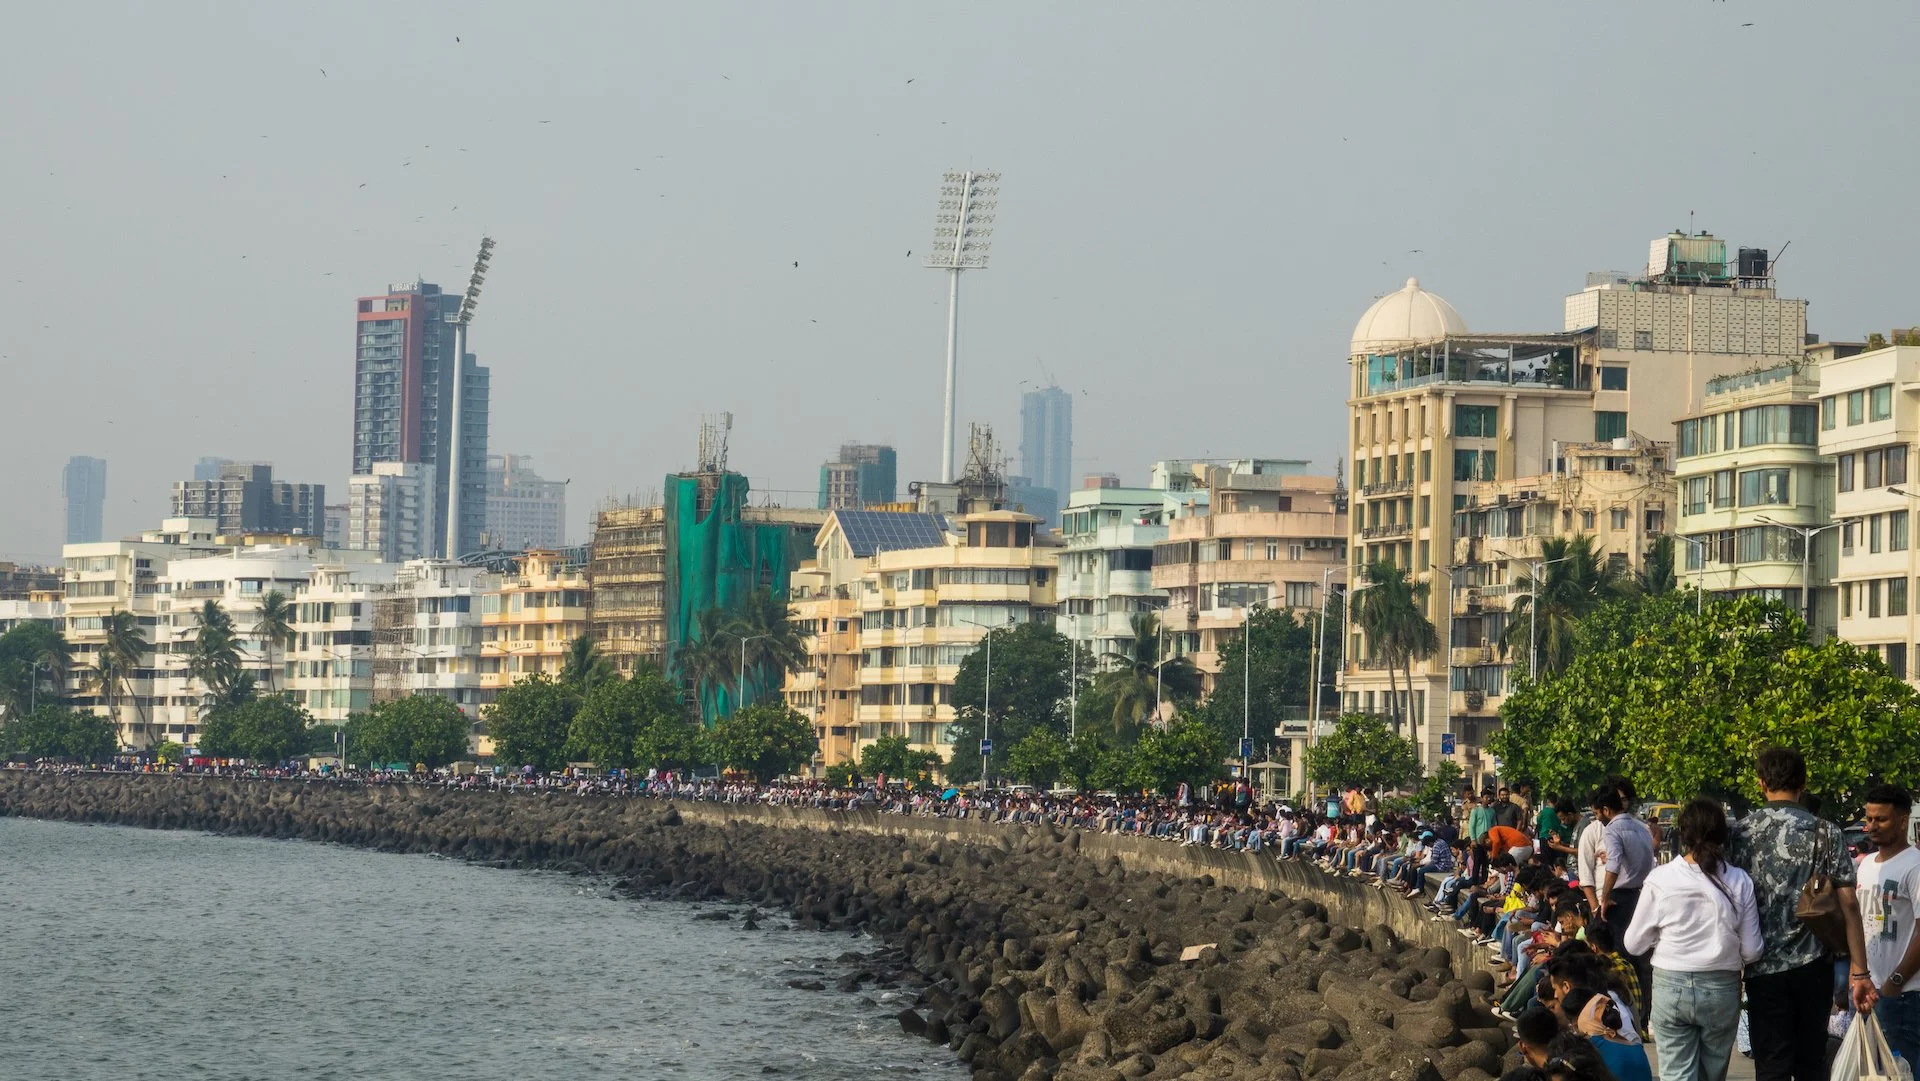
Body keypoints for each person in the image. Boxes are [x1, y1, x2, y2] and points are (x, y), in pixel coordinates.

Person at [1728, 746, 1876, 1081]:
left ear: (1761, 783)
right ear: (1803, 783)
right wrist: (1860, 972)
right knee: (1811, 1062)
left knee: (1771, 1064)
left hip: (1760, 968)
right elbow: (1849, 905)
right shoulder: (1825, 832)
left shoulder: (1739, 834)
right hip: (1814, 967)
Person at [1624, 798, 1762, 1081]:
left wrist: (1661, 937)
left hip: (1671, 986)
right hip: (1722, 989)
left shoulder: (1661, 878)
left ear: (1682, 835)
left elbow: (1634, 943)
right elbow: (1752, 950)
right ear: (1723, 835)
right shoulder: (1739, 880)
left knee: (1677, 1075)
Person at [1859, 783, 1920, 1064]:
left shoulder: (1915, 865)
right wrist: (1856, 973)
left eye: (1881, 819)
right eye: (1869, 818)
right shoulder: (1867, 863)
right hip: (1867, 991)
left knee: (1903, 1070)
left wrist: (1895, 981)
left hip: (1905, 995)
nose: (1872, 826)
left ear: (1903, 820)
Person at [1594, 783, 1656, 1012]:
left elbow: (1614, 864)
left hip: (1620, 899)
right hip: (1641, 895)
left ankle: (1623, 1012)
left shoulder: (1611, 829)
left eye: (1597, 812)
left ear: (1606, 810)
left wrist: (1604, 897)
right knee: (1640, 960)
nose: (1597, 817)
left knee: (1617, 958)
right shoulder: (1641, 827)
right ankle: (1643, 1013)